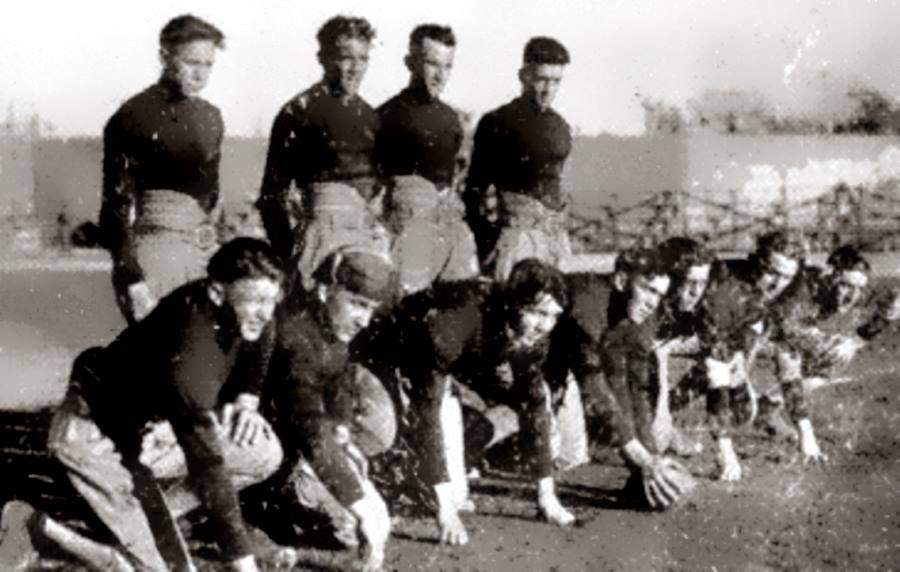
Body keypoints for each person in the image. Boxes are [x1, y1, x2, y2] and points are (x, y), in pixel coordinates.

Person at [0, 238, 285, 571]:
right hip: (97, 435)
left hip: (150, 428)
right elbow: (208, 467)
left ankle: (134, 530)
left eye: (272, 300)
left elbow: (263, 342)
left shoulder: (250, 312)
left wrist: (247, 401)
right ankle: (41, 529)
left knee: (261, 449)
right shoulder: (191, 353)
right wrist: (244, 565)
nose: (266, 312)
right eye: (257, 302)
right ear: (218, 292)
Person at [359, 258, 586, 549]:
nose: (545, 324)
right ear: (513, 304)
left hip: (440, 366)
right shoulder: (459, 318)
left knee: (546, 434)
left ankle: (428, 464)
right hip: (384, 354)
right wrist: (443, 510)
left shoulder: (534, 334)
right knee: (443, 495)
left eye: (553, 315)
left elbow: (535, 402)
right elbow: (426, 410)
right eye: (537, 312)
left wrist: (547, 495)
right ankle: (390, 472)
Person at [261, 249, 397, 572]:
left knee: (376, 521)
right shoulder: (295, 337)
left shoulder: (327, 325)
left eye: (371, 309)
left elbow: (339, 383)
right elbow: (307, 424)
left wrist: (344, 437)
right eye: (357, 304)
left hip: (295, 446)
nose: (364, 320)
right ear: (325, 291)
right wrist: (356, 501)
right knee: (355, 526)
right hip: (268, 456)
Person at [100, 14, 227, 323]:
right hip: (155, 255)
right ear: (164, 56)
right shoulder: (133, 117)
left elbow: (211, 196)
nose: (200, 74)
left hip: (202, 252)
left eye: (208, 64)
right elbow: (114, 208)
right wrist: (132, 279)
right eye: (191, 62)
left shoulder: (211, 117)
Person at [549, 247, 696, 511]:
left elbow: (631, 387)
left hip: (560, 367)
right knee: (565, 455)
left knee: (571, 449)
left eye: (660, 294)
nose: (654, 302)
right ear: (620, 281)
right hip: (513, 359)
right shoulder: (590, 299)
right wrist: (639, 456)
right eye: (649, 290)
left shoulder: (638, 315)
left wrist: (648, 460)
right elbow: (590, 378)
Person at [257, 15, 389, 286]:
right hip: (319, 243)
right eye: (345, 58)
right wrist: (289, 254)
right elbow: (272, 196)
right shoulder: (299, 112)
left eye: (363, 59)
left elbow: (380, 191)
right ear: (324, 58)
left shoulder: (371, 118)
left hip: (365, 240)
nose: (355, 68)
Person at [762, 244, 900, 462]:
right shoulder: (805, 290)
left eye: (858, 289)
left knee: (835, 354)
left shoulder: (858, 289)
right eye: (845, 285)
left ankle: (768, 406)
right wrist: (806, 433)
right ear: (830, 276)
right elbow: (787, 340)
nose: (851, 296)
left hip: (776, 330)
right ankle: (789, 421)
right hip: (755, 325)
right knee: (806, 353)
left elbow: (893, 304)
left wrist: (856, 341)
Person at [374, 24, 479, 294]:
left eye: (447, 66)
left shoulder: (451, 120)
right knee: (409, 304)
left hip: (450, 226)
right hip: (408, 229)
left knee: (460, 303)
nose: (440, 75)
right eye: (432, 64)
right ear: (410, 62)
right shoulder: (385, 116)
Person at [463, 36, 573, 278]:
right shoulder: (497, 122)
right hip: (515, 241)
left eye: (556, 81)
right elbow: (474, 190)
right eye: (542, 79)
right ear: (524, 75)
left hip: (555, 240)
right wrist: (489, 243)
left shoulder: (561, 127)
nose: (548, 90)